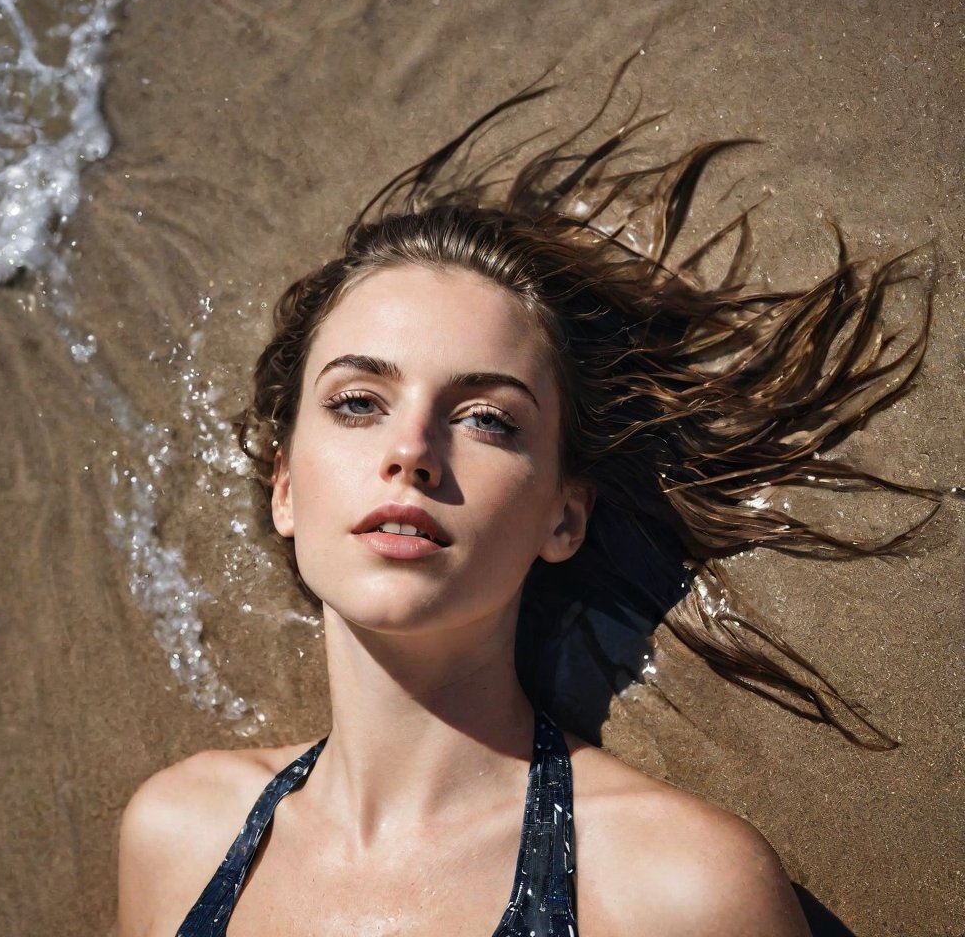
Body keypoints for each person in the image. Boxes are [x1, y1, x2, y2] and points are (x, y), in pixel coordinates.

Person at [118, 72, 938, 936]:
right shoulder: (179, 836)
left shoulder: (674, 890)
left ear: (563, 516)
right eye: (359, 401)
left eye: (487, 418)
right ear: (285, 486)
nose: (412, 452)